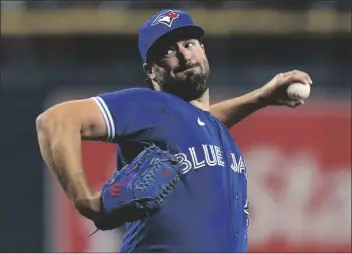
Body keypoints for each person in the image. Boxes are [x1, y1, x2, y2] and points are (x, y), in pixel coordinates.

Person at [36, 9, 312, 253]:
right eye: (168, 50)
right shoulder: (152, 106)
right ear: (151, 72)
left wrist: (262, 97)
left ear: (203, 50)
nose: (183, 54)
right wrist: (85, 200)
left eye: (189, 44)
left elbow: (201, 119)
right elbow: (54, 121)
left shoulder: (208, 127)